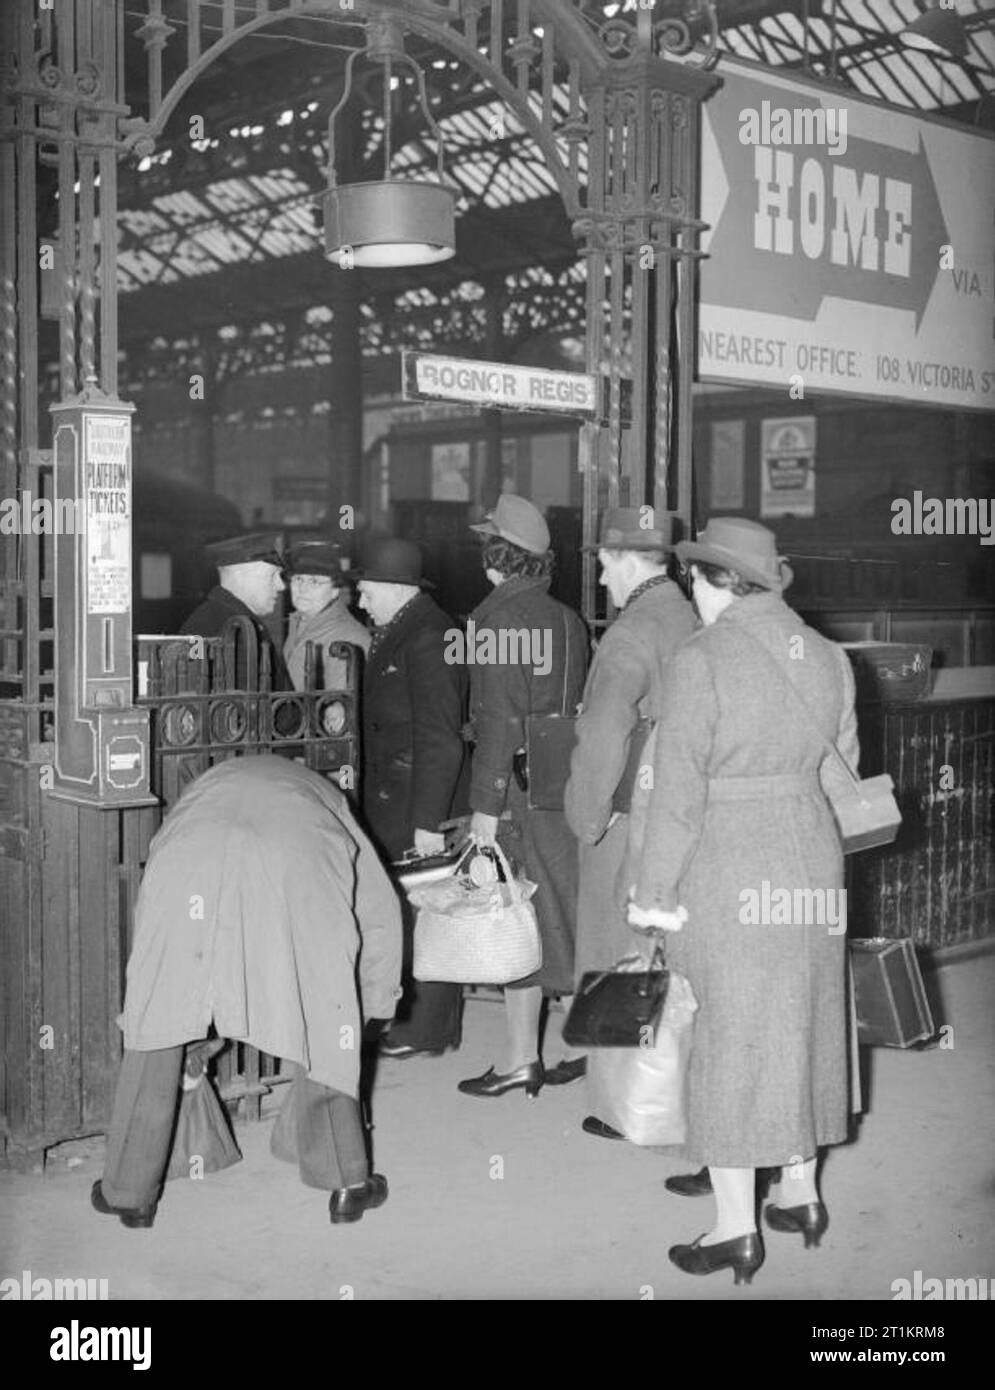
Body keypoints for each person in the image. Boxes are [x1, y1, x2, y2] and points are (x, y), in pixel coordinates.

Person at [625, 517, 859, 1285]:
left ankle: (733, 1229)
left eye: (695, 576)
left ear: (715, 581)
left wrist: (653, 895)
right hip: (811, 858)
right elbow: (844, 770)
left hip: (728, 864)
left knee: (730, 1035)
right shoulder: (828, 658)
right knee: (800, 1019)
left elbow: (678, 794)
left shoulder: (701, 660)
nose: (691, 588)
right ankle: (798, 1193)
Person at [90, 756, 403, 1229]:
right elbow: (379, 915)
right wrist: (371, 1009)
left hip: (187, 855)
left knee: (162, 1010)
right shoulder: (326, 800)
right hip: (294, 856)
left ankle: (129, 1191)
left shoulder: (203, 791)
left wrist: (192, 1023)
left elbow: (164, 922)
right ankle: (346, 1183)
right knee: (321, 1006)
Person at [563, 507, 695, 1126]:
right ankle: (674, 1085)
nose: (600, 576)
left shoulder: (629, 633)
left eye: (604, 563)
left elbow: (604, 736)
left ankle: (622, 1107)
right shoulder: (690, 616)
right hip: (682, 811)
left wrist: (587, 818)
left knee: (613, 951)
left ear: (622, 560)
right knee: (668, 954)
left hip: (627, 814)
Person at [458, 494, 588, 1099]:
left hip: (512, 792)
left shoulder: (494, 620)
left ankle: (520, 1059)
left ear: (495, 554)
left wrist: (484, 806)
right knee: (552, 915)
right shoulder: (568, 619)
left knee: (514, 922)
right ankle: (539, 1054)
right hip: (560, 787)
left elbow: (498, 721)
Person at [357, 537, 468, 1059]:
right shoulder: (406, 627)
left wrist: (430, 821)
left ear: (393, 588)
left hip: (414, 799)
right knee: (410, 908)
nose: (361, 601)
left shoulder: (431, 634)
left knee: (429, 910)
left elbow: (440, 735)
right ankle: (415, 1021)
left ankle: (426, 1029)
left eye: (366, 590)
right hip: (394, 792)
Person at [181, 530, 291, 690]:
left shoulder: (210, 618)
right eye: (272, 575)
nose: (281, 586)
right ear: (240, 576)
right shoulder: (236, 627)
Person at [283, 539, 370, 692]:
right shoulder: (299, 621)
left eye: (314, 581)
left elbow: (341, 709)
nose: (302, 588)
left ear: (335, 590)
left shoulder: (349, 637)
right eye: (298, 579)